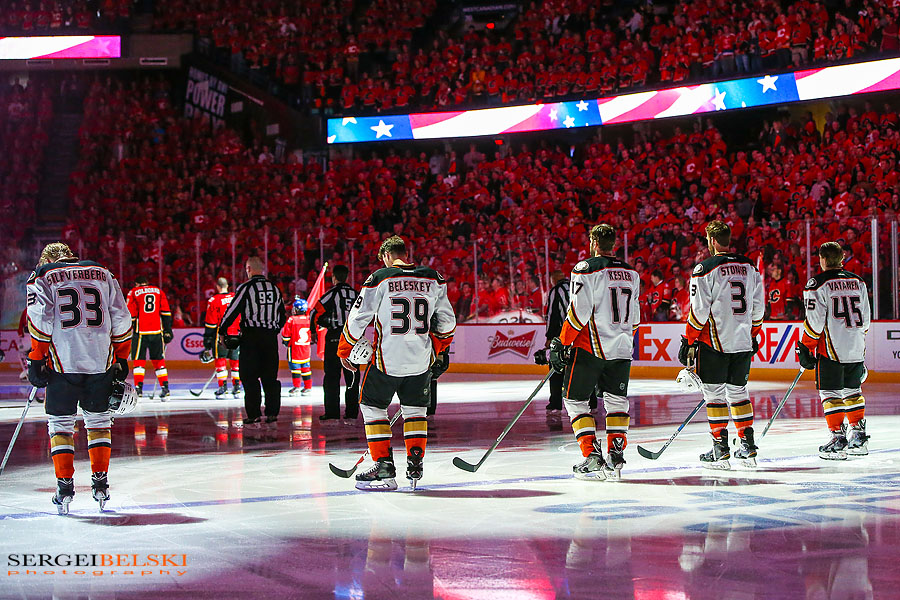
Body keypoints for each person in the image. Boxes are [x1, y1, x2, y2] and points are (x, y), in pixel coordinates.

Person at [338, 235, 456, 491]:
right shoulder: (433, 278)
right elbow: (447, 322)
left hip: (386, 361)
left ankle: (383, 467)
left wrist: (344, 349)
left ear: (386, 256)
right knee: (416, 411)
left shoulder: (380, 278)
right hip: (421, 361)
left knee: (371, 405)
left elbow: (359, 317)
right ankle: (415, 464)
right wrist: (439, 348)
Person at [25, 242, 133, 513]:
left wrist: (36, 358)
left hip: (63, 361)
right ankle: (100, 483)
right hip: (101, 359)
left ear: (48, 258)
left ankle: (64, 486)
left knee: (60, 423)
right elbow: (122, 317)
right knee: (98, 421)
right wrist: (121, 355)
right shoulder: (102, 272)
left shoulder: (43, 275)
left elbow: (40, 319)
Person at [548, 224, 640, 481]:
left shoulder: (585, 269)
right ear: (613, 244)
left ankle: (591, 456)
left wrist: (562, 342)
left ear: (594, 242)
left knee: (575, 401)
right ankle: (616, 455)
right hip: (622, 347)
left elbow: (578, 313)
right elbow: (635, 318)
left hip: (591, 347)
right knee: (617, 401)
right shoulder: (631, 273)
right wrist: (624, 340)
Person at [679, 220, 765, 469]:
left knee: (714, 395)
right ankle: (747, 444)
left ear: (712, 241)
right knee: (739, 392)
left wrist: (689, 339)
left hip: (714, 343)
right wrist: (753, 334)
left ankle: (720, 448)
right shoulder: (749, 267)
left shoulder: (704, 269)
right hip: (742, 341)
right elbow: (758, 308)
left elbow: (698, 312)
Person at [796, 241, 871, 460]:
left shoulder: (817, 284)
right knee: (852, 390)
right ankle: (858, 436)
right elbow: (865, 320)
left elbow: (815, 322)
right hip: (856, 346)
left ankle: (838, 438)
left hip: (831, 348)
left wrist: (806, 347)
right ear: (842, 257)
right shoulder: (858, 282)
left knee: (830, 392)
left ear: (822, 259)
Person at [219, 257, 286, 429]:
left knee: (249, 377)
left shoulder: (246, 288)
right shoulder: (275, 289)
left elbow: (232, 311)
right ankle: (272, 413)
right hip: (270, 338)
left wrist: (222, 331)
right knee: (270, 377)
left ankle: (254, 414)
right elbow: (282, 316)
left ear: (248, 269)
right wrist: (273, 330)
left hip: (251, 337)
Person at [310, 264, 359, 423]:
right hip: (352, 339)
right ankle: (352, 412)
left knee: (331, 376)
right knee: (352, 376)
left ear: (334, 278)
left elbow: (314, 312)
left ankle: (332, 412)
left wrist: (314, 330)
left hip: (334, 338)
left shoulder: (331, 293)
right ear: (347, 277)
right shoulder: (356, 295)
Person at [126, 275, 173, 398]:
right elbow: (166, 312)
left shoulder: (134, 292)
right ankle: (165, 388)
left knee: (139, 361)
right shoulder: (158, 291)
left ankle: (139, 389)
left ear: (137, 284)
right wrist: (168, 330)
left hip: (140, 332)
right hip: (157, 332)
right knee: (159, 361)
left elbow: (131, 314)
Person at [202, 277, 242, 397]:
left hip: (221, 336)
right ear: (227, 285)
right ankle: (237, 387)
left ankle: (222, 387)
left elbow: (211, 323)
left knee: (221, 361)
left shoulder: (213, 300)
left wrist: (207, 339)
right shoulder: (236, 297)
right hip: (236, 333)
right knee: (235, 362)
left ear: (217, 287)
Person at [541, 270, 569, 420]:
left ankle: (555, 404)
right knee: (580, 368)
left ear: (554, 279)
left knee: (556, 368)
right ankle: (591, 404)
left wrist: (549, 337)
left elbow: (552, 315)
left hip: (562, 335)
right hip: (581, 334)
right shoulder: (576, 286)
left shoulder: (556, 290)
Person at [281, 296, 313, 396]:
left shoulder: (292, 320)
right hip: (306, 349)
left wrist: (286, 342)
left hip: (295, 349)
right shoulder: (309, 319)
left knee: (295, 369)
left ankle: (297, 387)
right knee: (306, 368)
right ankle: (308, 387)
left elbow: (286, 334)